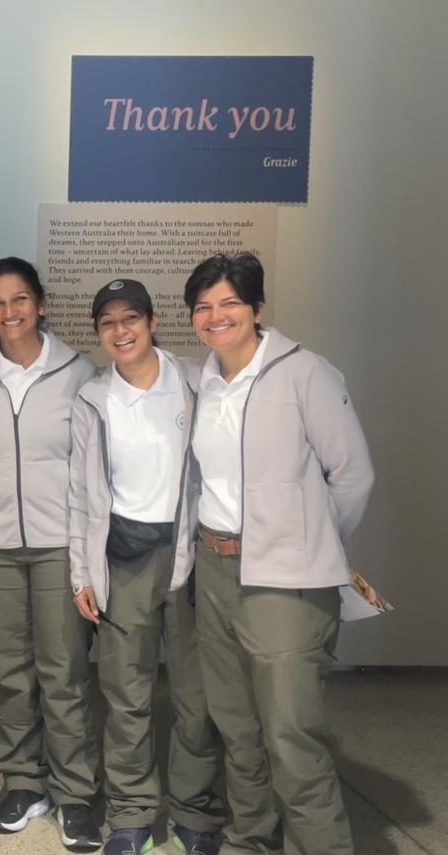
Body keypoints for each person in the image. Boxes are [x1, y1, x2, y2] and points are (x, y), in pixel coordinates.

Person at [180, 253, 373, 855]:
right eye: (204, 307)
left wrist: (309, 545)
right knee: (236, 724)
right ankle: (250, 838)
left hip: (285, 579)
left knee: (291, 733)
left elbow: (353, 476)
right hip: (214, 567)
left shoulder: (306, 373)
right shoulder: (202, 380)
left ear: (257, 309)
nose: (216, 317)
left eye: (230, 303)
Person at [0, 256, 101, 852]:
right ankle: (22, 782)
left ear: (41, 303)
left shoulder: (80, 372)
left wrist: (86, 543)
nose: (10, 312)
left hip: (61, 545)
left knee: (65, 671)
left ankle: (76, 793)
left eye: (20, 299)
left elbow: (91, 467)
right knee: (11, 672)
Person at [68, 279, 225, 855]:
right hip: (123, 560)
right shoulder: (93, 399)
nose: (120, 330)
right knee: (126, 694)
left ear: (153, 321)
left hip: (191, 556)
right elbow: (78, 495)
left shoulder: (195, 381)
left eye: (130, 317)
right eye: (107, 322)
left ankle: (196, 814)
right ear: (99, 334)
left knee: (195, 696)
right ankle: (131, 814)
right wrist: (80, 573)